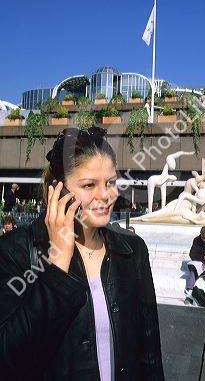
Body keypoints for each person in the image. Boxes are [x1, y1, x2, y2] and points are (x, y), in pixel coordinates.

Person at [0, 127, 164, 381]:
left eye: (110, 182)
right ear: (57, 190)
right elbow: (9, 357)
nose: (105, 195)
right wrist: (57, 267)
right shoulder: (18, 252)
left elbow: (150, 353)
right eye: (89, 185)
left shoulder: (133, 251)